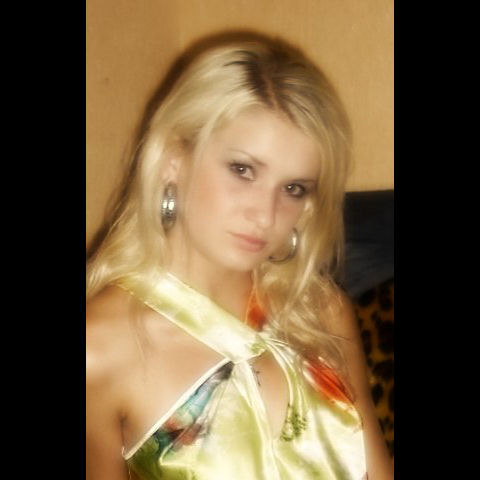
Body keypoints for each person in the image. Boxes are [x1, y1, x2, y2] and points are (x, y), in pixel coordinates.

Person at [86, 33, 394, 479]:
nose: (265, 215)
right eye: (243, 170)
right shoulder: (99, 347)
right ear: (173, 158)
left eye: (293, 188)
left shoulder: (320, 313)